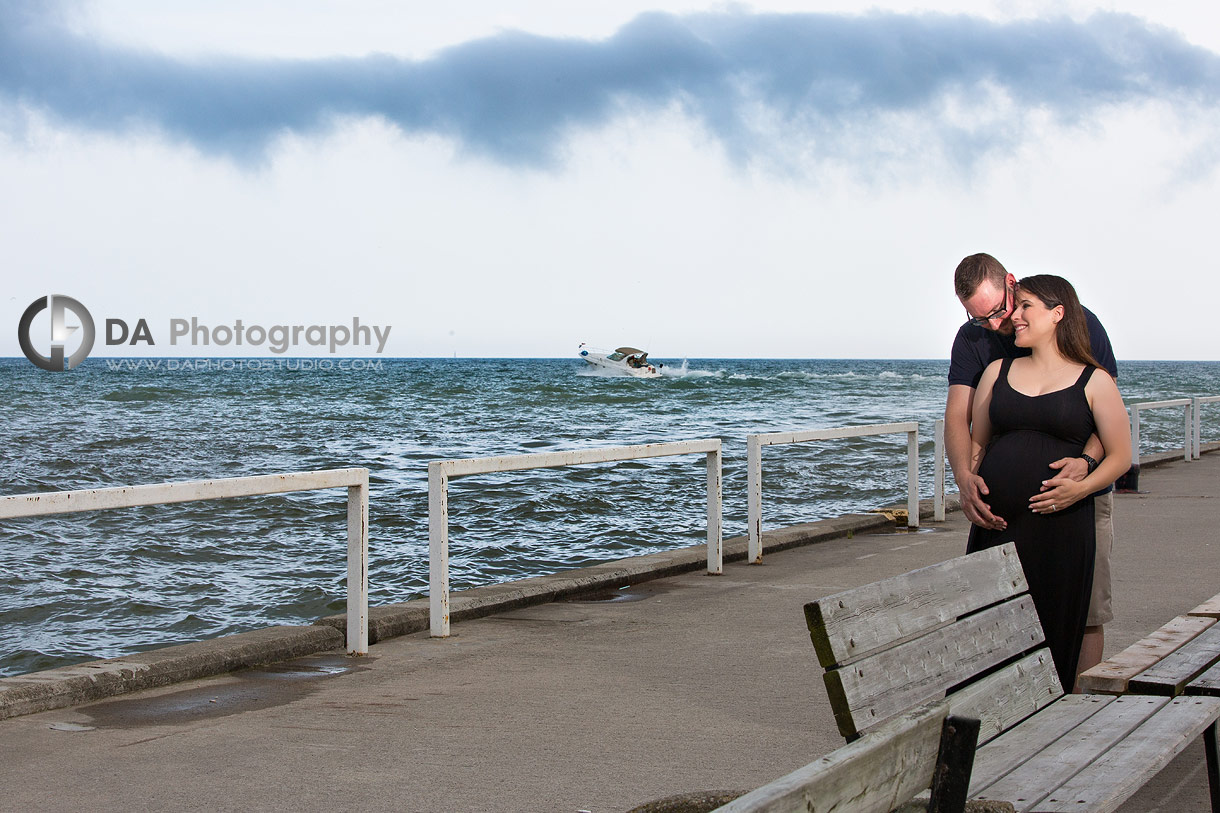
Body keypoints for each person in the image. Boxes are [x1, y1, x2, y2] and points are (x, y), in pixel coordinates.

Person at [946, 253, 1118, 677]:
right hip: (1004, 510)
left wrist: (1086, 464)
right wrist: (965, 478)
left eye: (998, 311)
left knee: (1086, 606)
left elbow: (1106, 410)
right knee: (997, 607)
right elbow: (958, 417)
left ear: (1010, 282)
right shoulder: (973, 341)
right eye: (976, 318)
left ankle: (1077, 713)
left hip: (1077, 499)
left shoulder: (1078, 323)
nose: (993, 325)